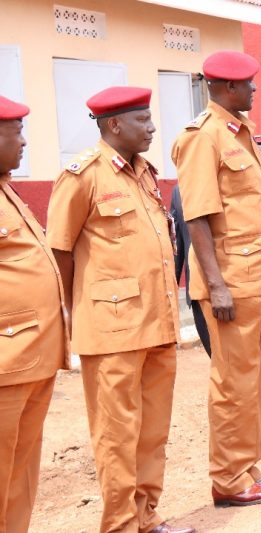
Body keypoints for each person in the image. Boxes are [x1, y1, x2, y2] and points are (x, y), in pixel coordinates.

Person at [47, 87, 193, 533]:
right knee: (117, 435)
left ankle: (146, 516)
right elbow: (61, 251)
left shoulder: (144, 173)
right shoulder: (83, 176)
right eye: (142, 120)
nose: (152, 128)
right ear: (114, 125)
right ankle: (120, 524)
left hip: (157, 321)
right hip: (112, 329)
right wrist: (71, 310)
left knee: (152, 431)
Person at [171, 50, 261, 507]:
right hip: (232, 281)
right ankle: (228, 477)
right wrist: (216, 284)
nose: (254, 89)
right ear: (227, 87)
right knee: (232, 383)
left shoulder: (239, 132)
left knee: (252, 379)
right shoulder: (203, 138)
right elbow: (198, 216)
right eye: (248, 83)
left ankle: (247, 465)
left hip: (256, 277)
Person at [0, 95, 69, 533]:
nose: (24, 142)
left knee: (20, 475)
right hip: (6, 362)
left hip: (30, 358)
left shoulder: (7, 190)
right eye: (15, 133)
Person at [171, 186, 211, 356]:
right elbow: (177, 245)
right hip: (198, 294)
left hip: (236, 291)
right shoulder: (179, 191)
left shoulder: (229, 180)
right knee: (217, 360)